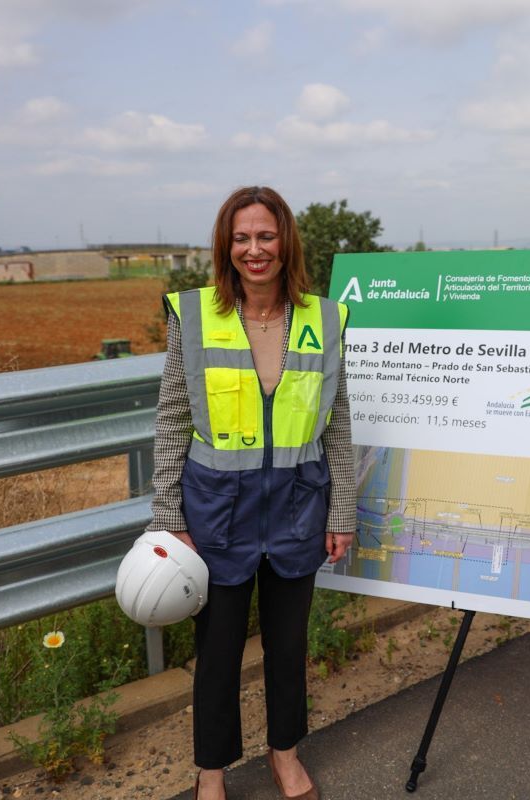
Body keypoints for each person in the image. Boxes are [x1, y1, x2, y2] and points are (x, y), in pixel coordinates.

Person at [148, 185, 356, 800]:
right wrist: (169, 515)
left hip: (297, 507)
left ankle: (285, 755)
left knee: (289, 648)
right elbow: (171, 418)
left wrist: (341, 507)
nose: (254, 249)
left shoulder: (323, 317)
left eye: (265, 236)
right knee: (217, 653)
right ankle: (210, 772)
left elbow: (336, 420)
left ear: (285, 241)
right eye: (242, 238)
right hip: (218, 513)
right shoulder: (194, 315)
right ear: (226, 246)